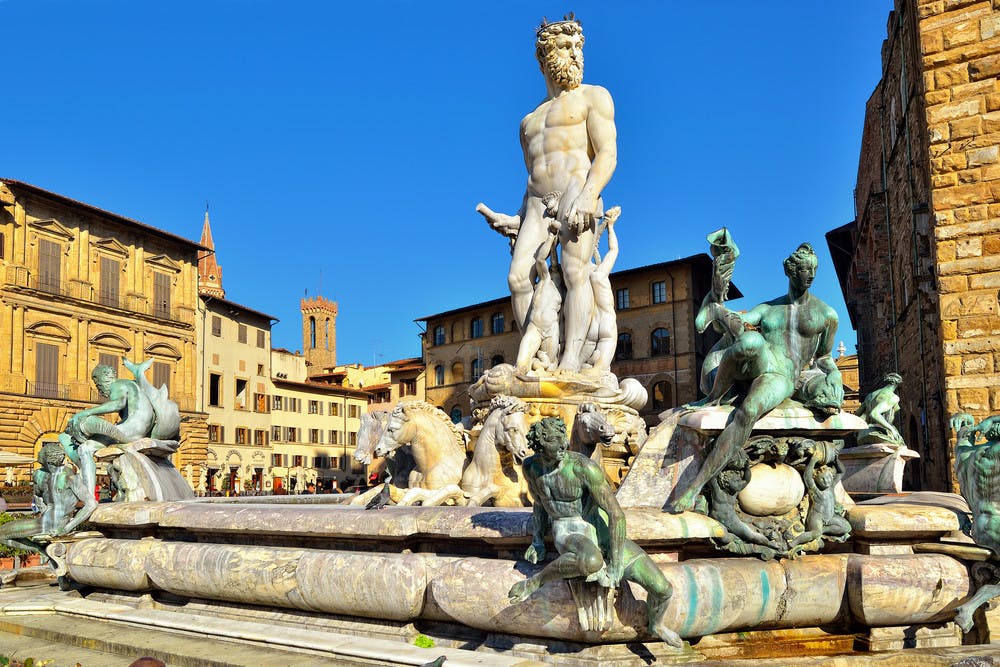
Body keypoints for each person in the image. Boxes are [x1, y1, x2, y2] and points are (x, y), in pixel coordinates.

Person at [477, 15, 617, 372]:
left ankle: (569, 362)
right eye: (567, 48)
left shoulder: (593, 97)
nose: (576, 55)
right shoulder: (528, 122)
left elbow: (607, 154)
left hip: (577, 189)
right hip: (538, 204)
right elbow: (532, 177)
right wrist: (516, 217)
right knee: (517, 277)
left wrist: (589, 195)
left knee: (574, 272)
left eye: (578, 48)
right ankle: (538, 355)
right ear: (546, 56)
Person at [671, 243, 842, 513]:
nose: (810, 274)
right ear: (789, 270)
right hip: (761, 361)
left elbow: (824, 358)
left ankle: (694, 487)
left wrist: (834, 374)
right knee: (749, 339)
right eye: (804, 268)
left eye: (814, 269)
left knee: (748, 409)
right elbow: (725, 331)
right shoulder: (767, 308)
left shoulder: (827, 314)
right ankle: (713, 396)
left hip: (781, 376)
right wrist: (717, 294)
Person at [508, 417, 682, 647]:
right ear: (540, 444)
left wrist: (618, 564)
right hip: (568, 529)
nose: (562, 445)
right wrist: (538, 541)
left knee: (663, 589)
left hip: (600, 533)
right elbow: (540, 504)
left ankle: (656, 625)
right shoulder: (531, 467)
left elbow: (616, 515)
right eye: (554, 441)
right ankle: (534, 582)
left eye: (563, 438)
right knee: (590, 560)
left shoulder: (582, 467)